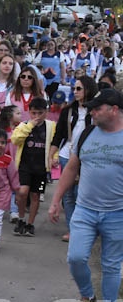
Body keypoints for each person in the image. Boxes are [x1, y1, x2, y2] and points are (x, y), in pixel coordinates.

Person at [49, 88, 123, 302]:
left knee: (111, 266)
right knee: (76, 257)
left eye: (97, 108)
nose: (91, 111)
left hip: (117, 213)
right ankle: (87, 296)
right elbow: (71, 168)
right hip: (85, 210)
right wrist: (56, 199)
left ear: (114, 110)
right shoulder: (86, 133)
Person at [50, 75, 97, 242]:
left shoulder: (96, 112)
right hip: (67, 155)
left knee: (82, 194)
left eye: (79, 89)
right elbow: (58, 135)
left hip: (88, 158)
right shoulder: (68, 110)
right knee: (68, 195)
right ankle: (72, 229)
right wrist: (51, 155)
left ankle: (84, 228)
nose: (75, 92)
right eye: (74, 89)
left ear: (88, 90)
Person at [10, 97, 53, 238]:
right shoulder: (24, 125)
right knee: (22, 192)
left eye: (40, 113)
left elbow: (55, 143)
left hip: (41, 168)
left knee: (36, 195)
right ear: (29, 112)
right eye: (34, 113)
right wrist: (30, 126)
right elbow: (15, 140)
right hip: (25, 166)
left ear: (46, 112)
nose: (37, 117)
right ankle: (21, 217)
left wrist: (55, 158)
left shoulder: (51, 126)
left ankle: (30, 223)